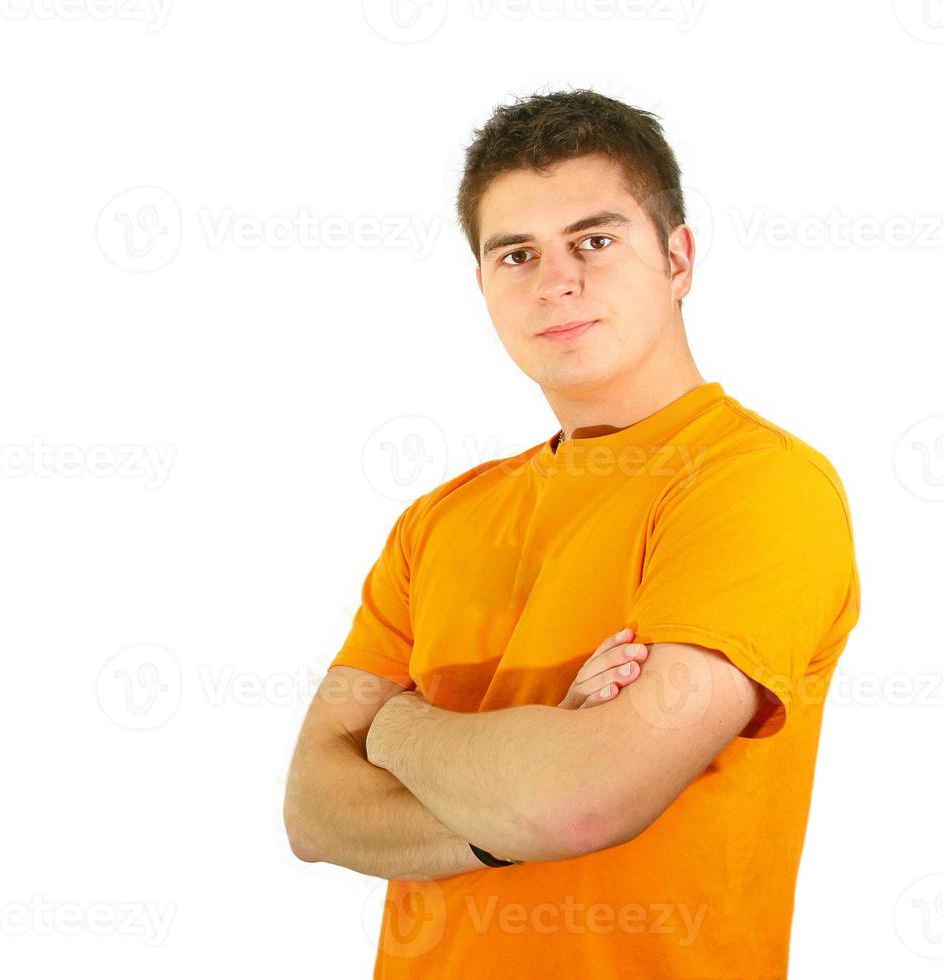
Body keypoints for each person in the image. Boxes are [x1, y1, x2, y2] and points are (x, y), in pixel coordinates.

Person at [281, 89, 861, 979]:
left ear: (678, 259)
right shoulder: (437, 521)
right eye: (517, 253)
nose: (556, 281)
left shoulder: (758, 485)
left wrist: (393, 730)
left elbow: (586, 802)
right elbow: (315, 812)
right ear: (483, 286)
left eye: (595, 240)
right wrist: (522, 793)